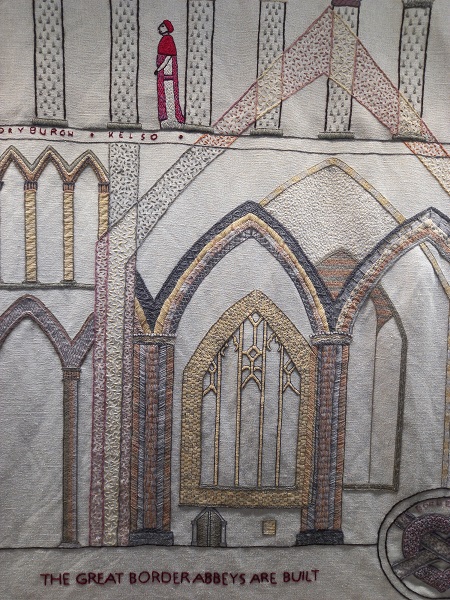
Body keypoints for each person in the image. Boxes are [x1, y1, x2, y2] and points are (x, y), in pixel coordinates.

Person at [154, 20, 185, 125]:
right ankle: (164, 116)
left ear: (167, 28)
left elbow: (168, 57)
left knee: (168, 94)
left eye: (163, 26)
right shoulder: (164, 39)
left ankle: (171, 117)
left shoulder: (168, 39)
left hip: (167, 73)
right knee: (163, 93)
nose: (160, 28)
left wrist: (159, 69)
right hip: (163, 73)